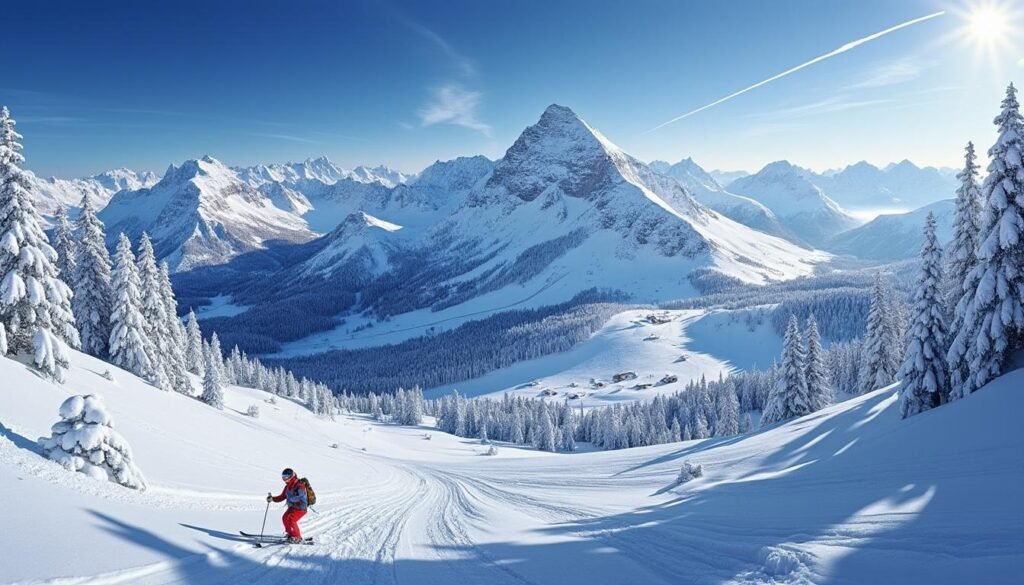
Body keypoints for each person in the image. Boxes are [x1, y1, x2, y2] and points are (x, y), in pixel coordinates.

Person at [267, 468, 308, 543]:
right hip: (292, 507)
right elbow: (282, 496)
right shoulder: (287, 487)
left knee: (291, 520)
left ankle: (297, 537)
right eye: (283, 477)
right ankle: (290, 534)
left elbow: (300, 496)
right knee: (285, 518)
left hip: (300, 508)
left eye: (286, 477)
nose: (284, 479)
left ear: (291, 476)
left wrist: (291, 498)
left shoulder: (300, 485)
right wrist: (272, 499)